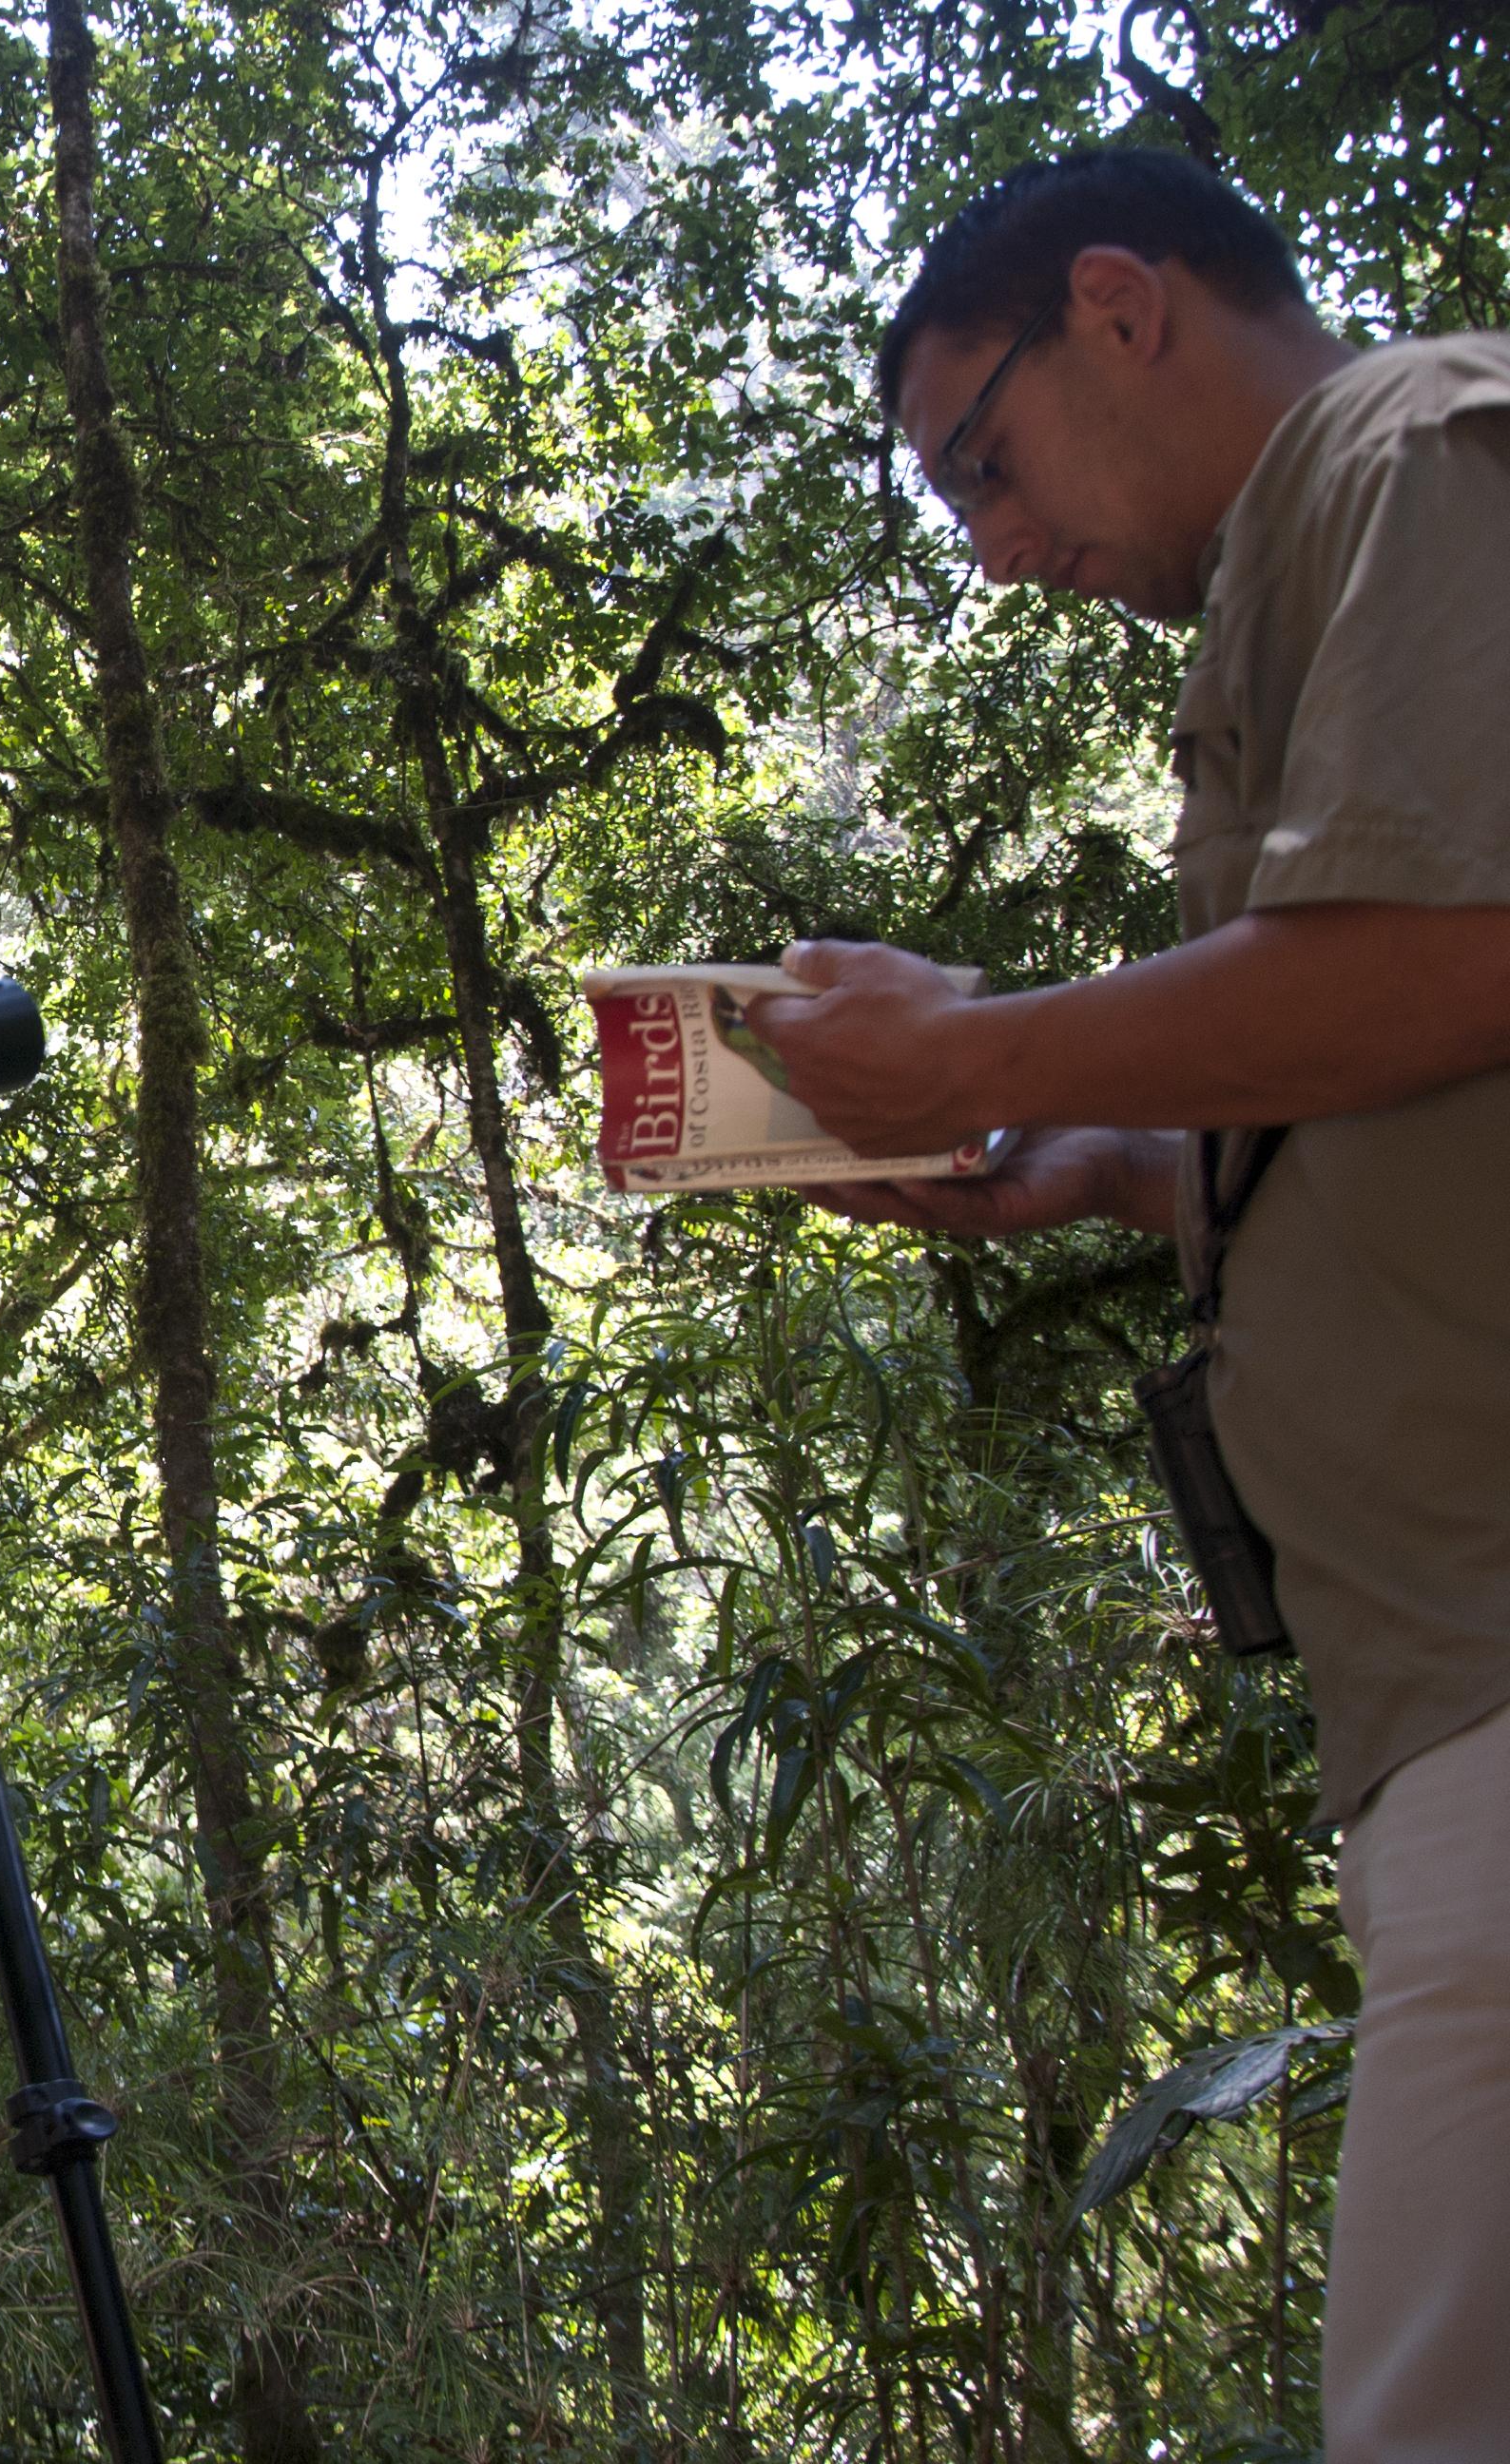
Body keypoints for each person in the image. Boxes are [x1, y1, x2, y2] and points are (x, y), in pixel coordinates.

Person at [745, 150, 1510, 2460]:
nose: (990, 544)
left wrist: (976, 1049)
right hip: (1438, 1678)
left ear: (1118, 306)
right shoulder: (1304, 577)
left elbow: (1453, 954)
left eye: (982, 457)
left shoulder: (1417, 449)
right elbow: (1364, 1082)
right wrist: (1076, 1156)